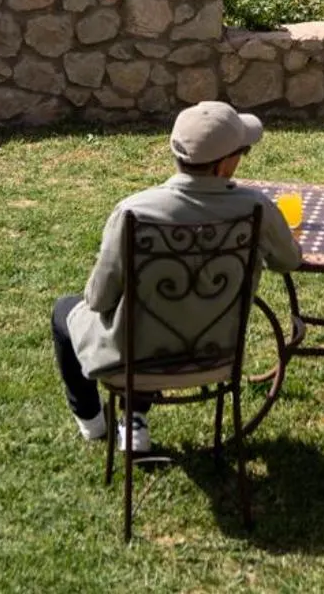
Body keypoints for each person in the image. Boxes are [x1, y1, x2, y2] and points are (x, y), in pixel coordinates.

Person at [50, 101, 304, 451]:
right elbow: (289, 261)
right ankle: (133, 420)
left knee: (67, 310)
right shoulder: (256, 209)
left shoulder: (134, 212)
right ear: (225, 164)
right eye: (242, 152)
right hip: (216, 358)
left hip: (134, 362)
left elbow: (98, 299)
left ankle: (94, 424)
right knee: (166, 316)